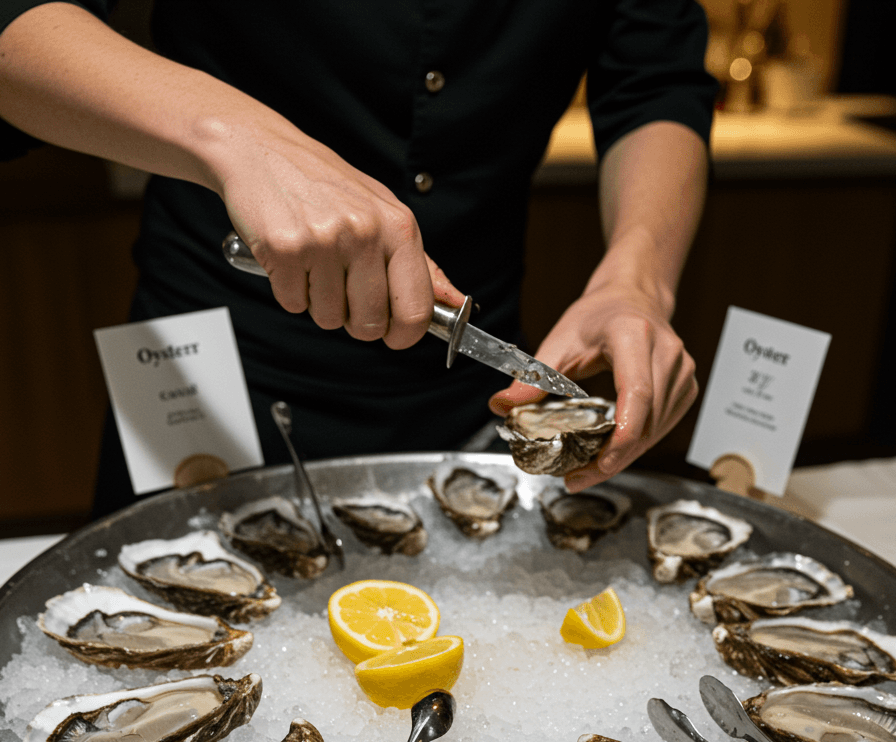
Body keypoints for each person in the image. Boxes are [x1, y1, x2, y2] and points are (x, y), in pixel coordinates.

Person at [0, 0, 716, 513]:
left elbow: (655, 79)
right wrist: (240, 141)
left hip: (466, 383)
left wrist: (637, 281)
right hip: (212, 370)